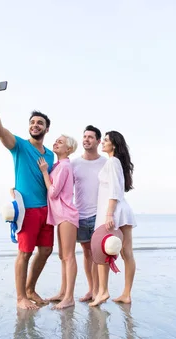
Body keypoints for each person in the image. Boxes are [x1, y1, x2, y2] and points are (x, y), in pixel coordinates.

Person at [0, 81, 55, 310]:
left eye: (40, 123)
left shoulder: (52, 156)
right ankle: (20, 297)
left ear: (46, 129)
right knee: (24, 253)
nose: (35, 125)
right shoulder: (20, 146)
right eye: (33, 122)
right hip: (27, 211)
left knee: (45, 251)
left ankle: (30, 288)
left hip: (47, 211)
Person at [90, 131, 137, 307]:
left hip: (115, 211)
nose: (102, 143)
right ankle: (122, 294)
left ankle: (105, 292)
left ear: (114, 145)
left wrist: (109, 213)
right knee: (125, 252)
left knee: (105, 250)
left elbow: (115, 190)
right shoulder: (114, 162)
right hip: (117, 210)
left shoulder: (112, 161)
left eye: (106, 141)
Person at [37, 135, 80, 310]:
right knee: (63, 255)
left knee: (68, 256)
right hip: (60, 215)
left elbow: (54, 192)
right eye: (55, 140)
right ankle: (63, 292)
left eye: (60, 142)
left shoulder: (64, 166)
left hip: (67, 215)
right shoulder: (58, 166)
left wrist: (45, 172)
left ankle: (69, 297)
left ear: (68, 149)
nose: (55, 143)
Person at [70, 125, 107, 302]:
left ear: (98, 141)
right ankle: (92, 289)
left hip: (99, 215)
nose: (86, 139)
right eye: (84, 136)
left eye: (90, 137)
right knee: (86, 253)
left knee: (98, 254)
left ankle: (101, 290)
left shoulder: (105, 162)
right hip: (80, 215)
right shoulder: (74, 163)